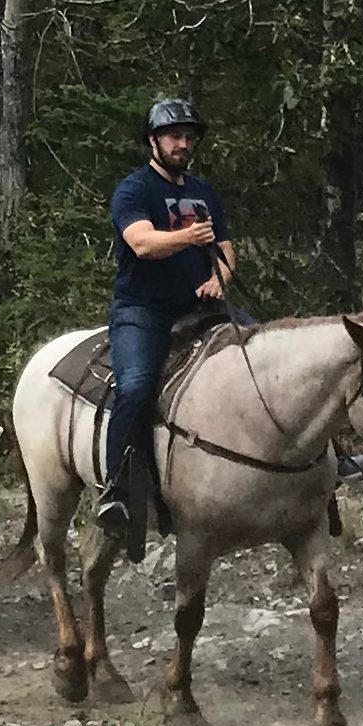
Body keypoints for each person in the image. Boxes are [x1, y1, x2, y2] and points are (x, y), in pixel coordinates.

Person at [98, 96, 235, 548]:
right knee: (136, 385)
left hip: (201, 308)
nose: (183, 143)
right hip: (144, 310)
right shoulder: (134, 190)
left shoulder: (204, 191)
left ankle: (322, 466)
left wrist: (219, 277)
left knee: (262, 356)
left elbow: (228, 246)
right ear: (153, 141)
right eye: (175, 136)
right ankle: (115, 488)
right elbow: (141, 243)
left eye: (188, 136)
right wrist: (186, 237)